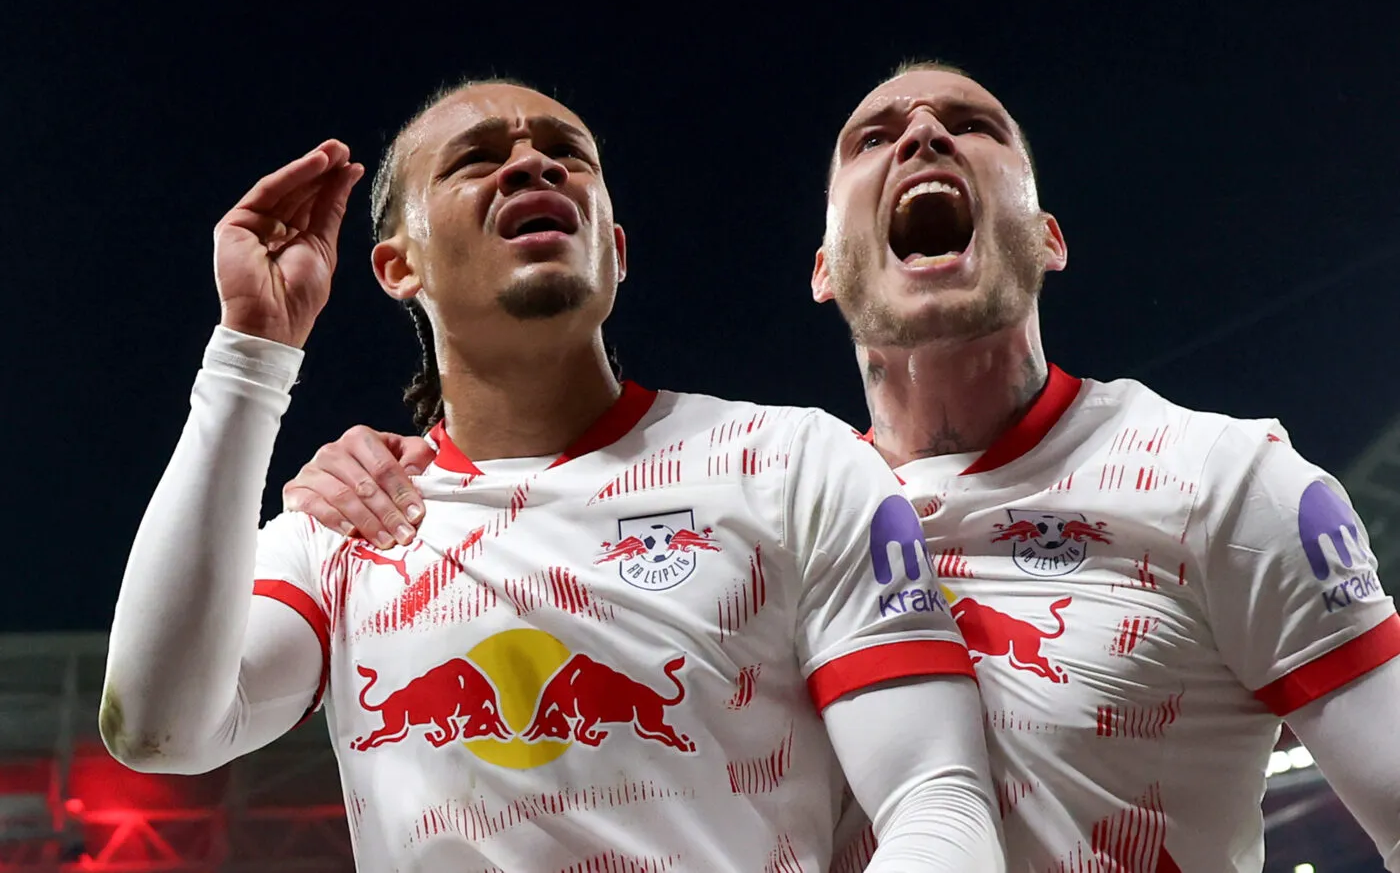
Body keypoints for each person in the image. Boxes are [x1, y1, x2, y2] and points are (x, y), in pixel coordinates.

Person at [294, 65, 1400, 871]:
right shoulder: (779, 516)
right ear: (824, 269)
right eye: (873, 137)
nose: (922, 134)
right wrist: (384, 478)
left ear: (1049, 238)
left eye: (972, 125)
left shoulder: (1221, 482)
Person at [100, 80, 1007, 872]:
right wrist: (252, 356)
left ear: (617, 247)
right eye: (477, 159)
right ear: (398, 266)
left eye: (567, 155)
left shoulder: (794, 463)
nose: (534, 166)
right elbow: (158, 727)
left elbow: (936, 796)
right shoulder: (350, 523)